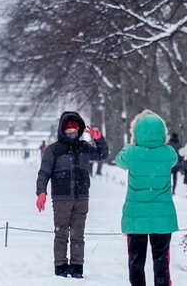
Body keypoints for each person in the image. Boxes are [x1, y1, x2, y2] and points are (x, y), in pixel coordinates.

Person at [36, 111, 108, 279]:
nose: (71, 133)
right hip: (61, 199)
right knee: (61, 234)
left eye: (74, 130)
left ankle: (77, 267)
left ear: (79, 130)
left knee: (78, 235)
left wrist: (99, 140)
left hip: (82, 197)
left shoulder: (84, 147)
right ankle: (60, 266)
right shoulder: (53, 150)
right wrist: (41, 192)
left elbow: (102, 155)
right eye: (68, 130)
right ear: (62, 130)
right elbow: (44, 173)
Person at [115, 110, 177, 286]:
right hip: (162, 216)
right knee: (161, 261)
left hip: (136, 217)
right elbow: (174, 161)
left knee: (136, 261)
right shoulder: (168, 153)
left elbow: (118, 160)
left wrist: (130, 144)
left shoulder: (132, 154)